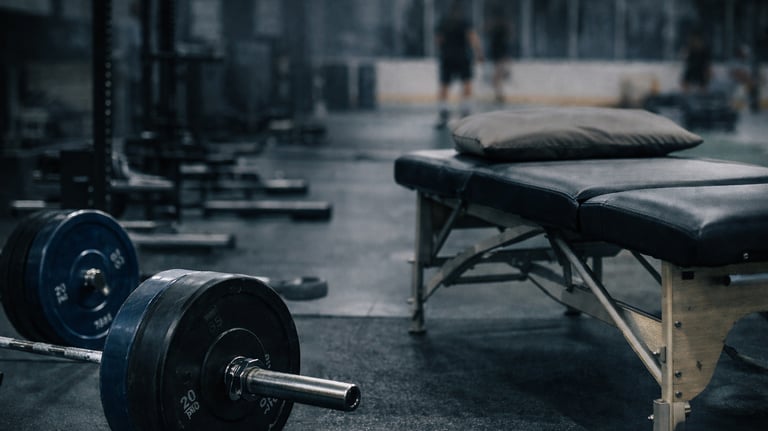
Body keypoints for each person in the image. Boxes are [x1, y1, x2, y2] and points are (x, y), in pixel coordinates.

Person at [434, 1, 484, 128]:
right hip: (462, 57)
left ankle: (443, 113)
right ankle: (465, 112)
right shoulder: (464, 22)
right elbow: (472, 38)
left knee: (444, 85)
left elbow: (438, 40)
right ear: (460, 11)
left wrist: (444, 50)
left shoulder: (443, 22)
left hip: (447, 57)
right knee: (466, 83)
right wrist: (479, 53)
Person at [485, 11, 510, 104]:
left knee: (496, 77)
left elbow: (504, 46)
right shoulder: (495, 32)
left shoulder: (500, 31)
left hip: (500, 56)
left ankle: (499, 95)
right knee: (496, 78)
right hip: (497, 56)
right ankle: (499, 95)